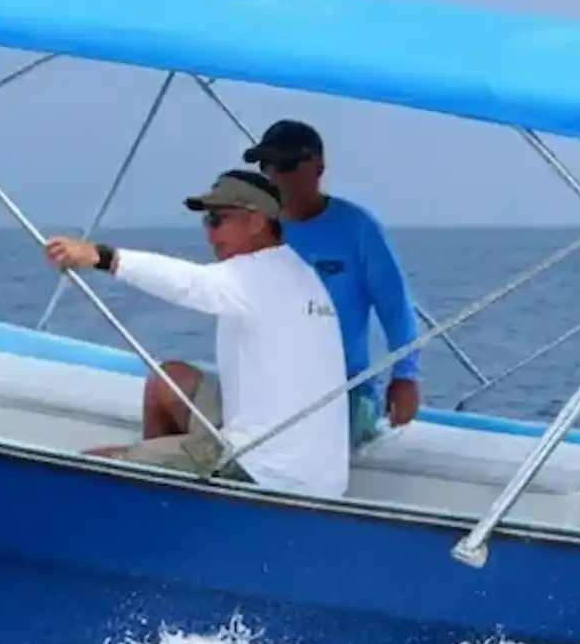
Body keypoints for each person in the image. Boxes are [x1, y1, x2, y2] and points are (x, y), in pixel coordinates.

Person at [42, 169, 351, 500]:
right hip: (321, 473)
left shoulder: (254, 276)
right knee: (169, 379)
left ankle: (151, 482)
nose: (209, 234)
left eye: (218, 220)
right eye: (207, 222)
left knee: (94, 465)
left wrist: (100, 257)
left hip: (263, 470)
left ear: (257, 222)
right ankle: (159, 483)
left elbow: (189, 283)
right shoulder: (297, 271)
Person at [243, 118, 422, 446]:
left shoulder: (357, 228)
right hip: (264, 389)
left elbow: (395, 308)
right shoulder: (254, 228)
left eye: (287, 163)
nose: (276, 175)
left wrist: (405, 375)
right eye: (268, 164)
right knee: (171, 385)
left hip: (341, 392)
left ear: (318, 166)